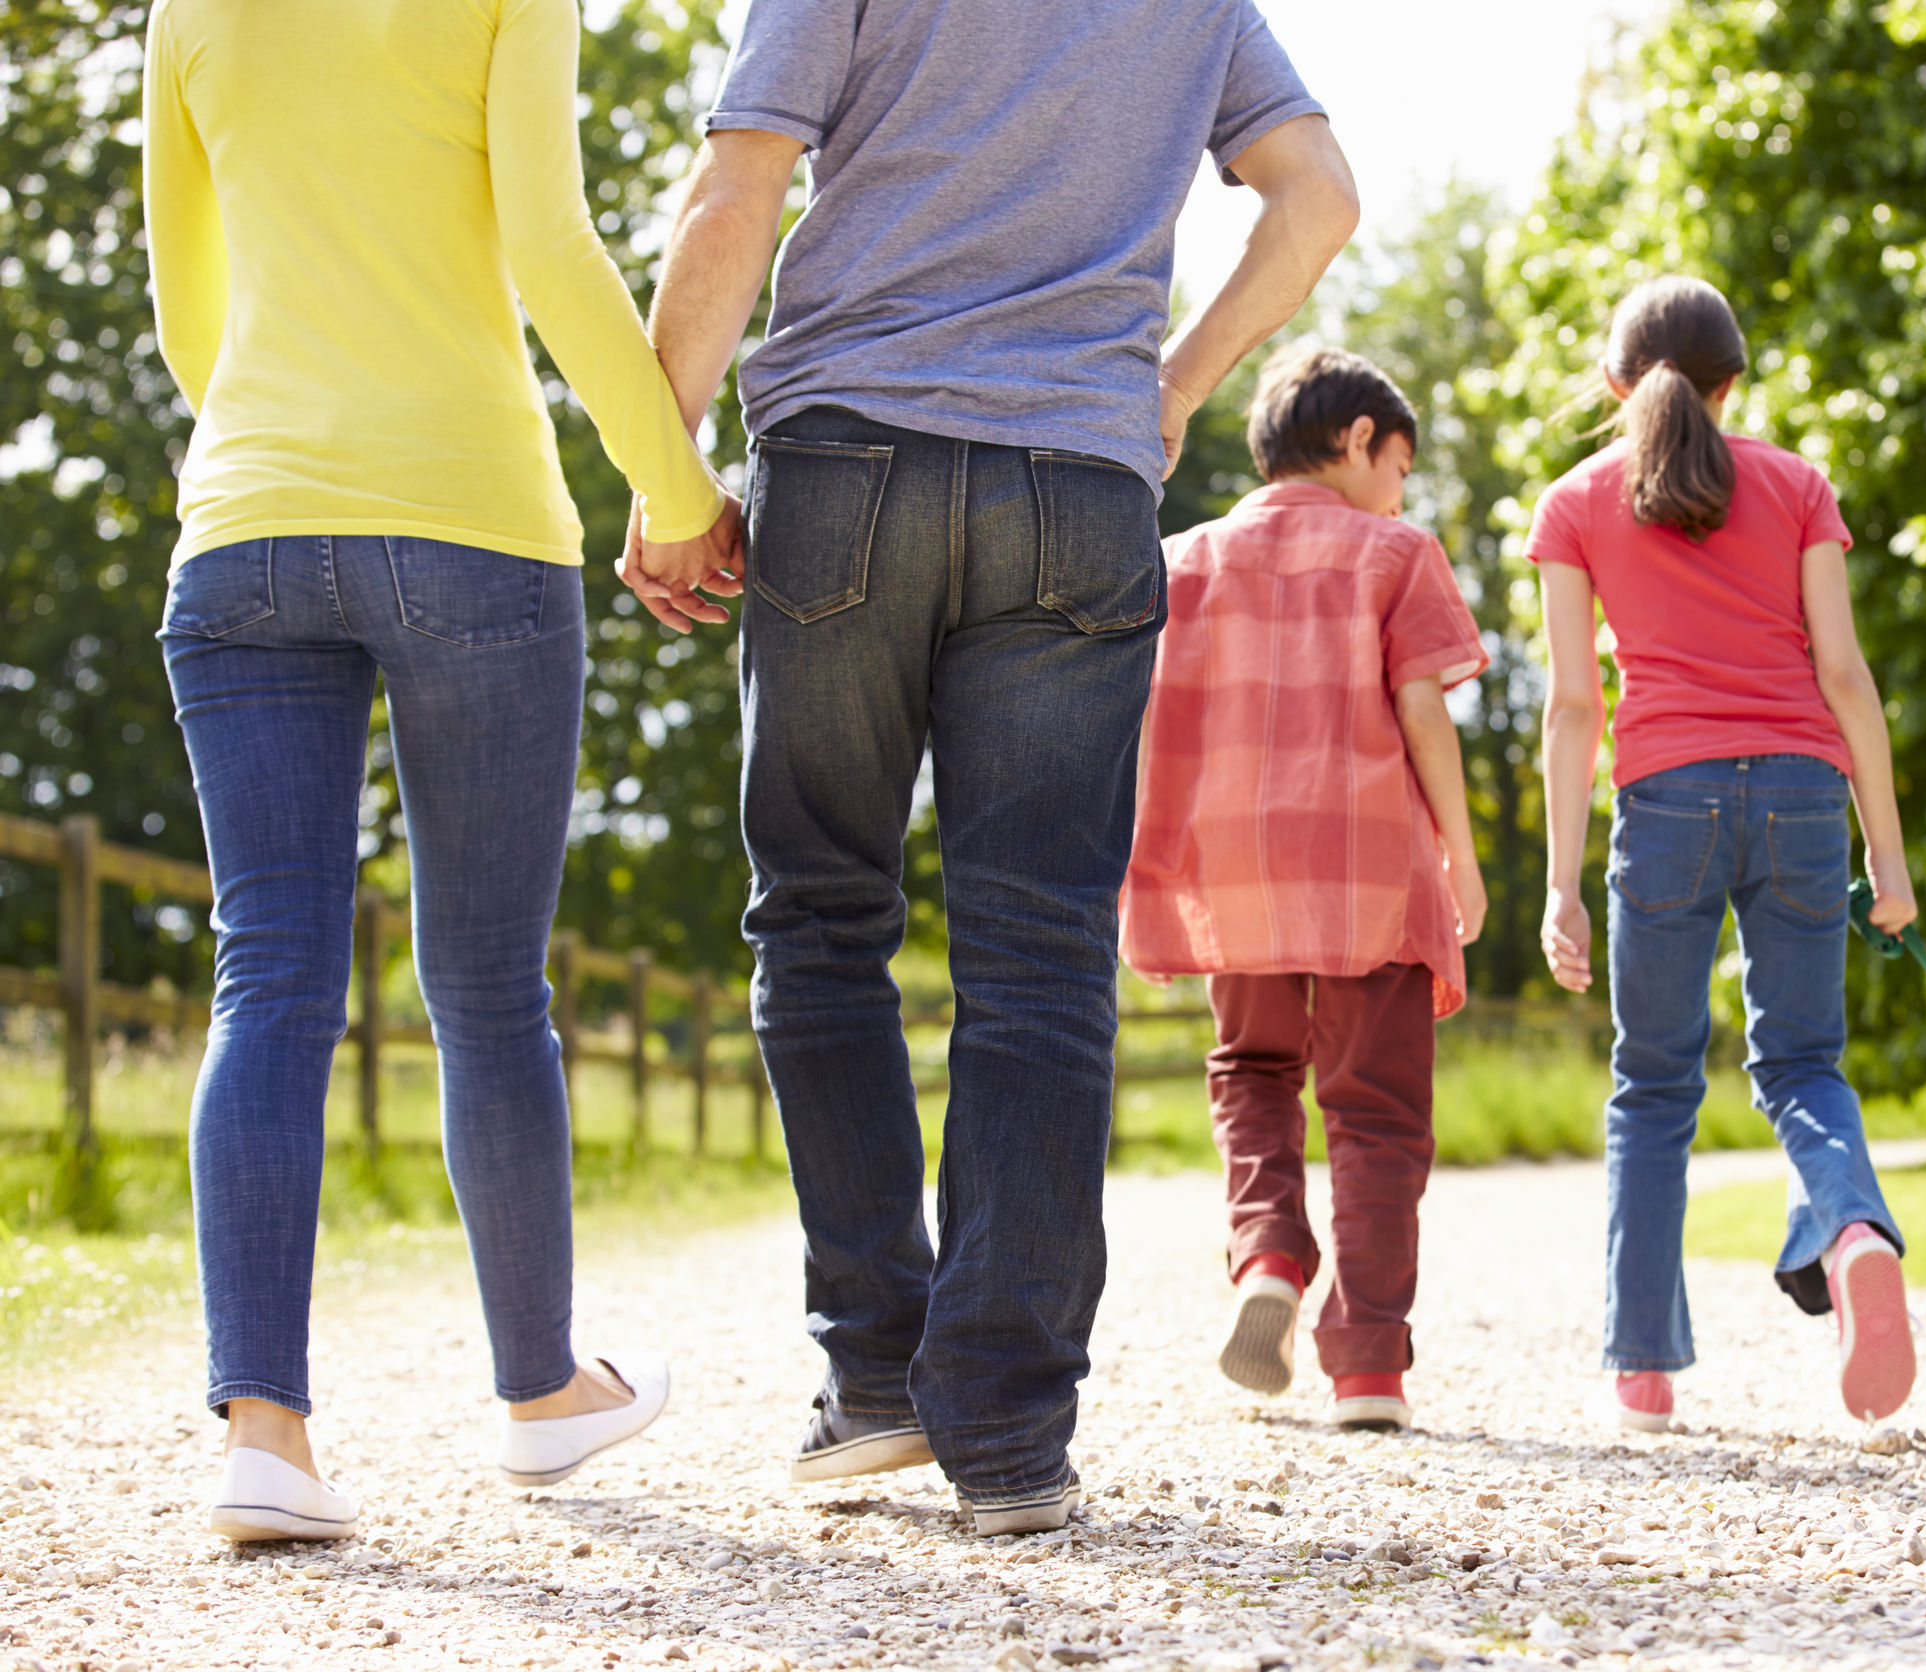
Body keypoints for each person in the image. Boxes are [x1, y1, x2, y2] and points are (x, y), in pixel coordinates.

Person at [619, 0, 1359, 1532]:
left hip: (848, 472)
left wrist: (662, 458)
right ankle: (1012, 1433)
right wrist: (1174, 385)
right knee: (1038, 949)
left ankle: (877, 1373)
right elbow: (1321, 197)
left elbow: (737, 185)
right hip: (1079, 485)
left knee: (822, 919)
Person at [142, 0, 741, 1540]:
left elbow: (183, 310)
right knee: (486, 986)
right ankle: (542, 1396)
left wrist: (280, 452)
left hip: (249, 522)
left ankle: (264, 1437)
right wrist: (673, 484)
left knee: (267, 975)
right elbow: (552, 244)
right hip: (471, 516)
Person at [1528, 276, 1921, 1431]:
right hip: (1802, 793)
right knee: (1803, 1064)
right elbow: (1845, 677)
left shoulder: (1574, 502)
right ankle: (1849, 1227)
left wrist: (1559, 883)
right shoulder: (1798, 485)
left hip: (1665, 803)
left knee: (1652, 1087)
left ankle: (1643, 1368)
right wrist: (1887, 860)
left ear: (1613, 385)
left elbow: (1569, 707)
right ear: (1733, 381)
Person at [1120, 348, 1488, 1433]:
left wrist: (1145, 853)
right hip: (1366, 861)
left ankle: (1268, 1253)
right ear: (1358, 440)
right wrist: (1459, 853)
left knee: (1254, 1069)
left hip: (1231, 868)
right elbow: (1424, 710)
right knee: (1375, 1109)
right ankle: (1368, 1365)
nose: (1403, 490)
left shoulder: (1183, 559)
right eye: (1401, 463)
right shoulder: (1395, 554)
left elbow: (1142, 720)